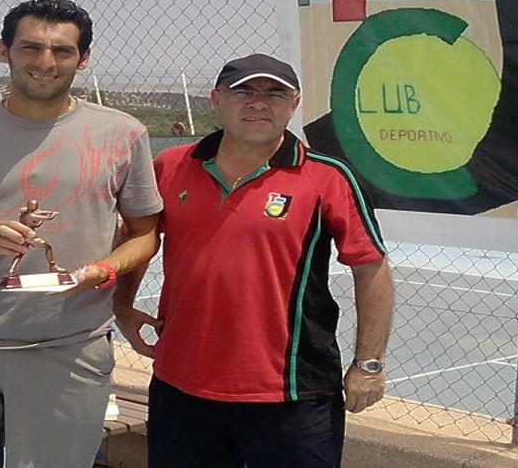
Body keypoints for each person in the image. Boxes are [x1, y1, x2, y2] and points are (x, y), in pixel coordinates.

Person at [0, 0, 163, 468]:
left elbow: (146, 235)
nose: (45, 62)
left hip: (67, 344)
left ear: (84, 58)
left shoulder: (123, 134)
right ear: (4, 51)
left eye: (62, 50)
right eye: (31, 47)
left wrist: (103, 271)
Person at [115, 53, 394, 468]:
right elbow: (140, 237)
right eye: (243, 91)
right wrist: (122, 304)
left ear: (294, 103)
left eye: (275, 93)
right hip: (180, 386)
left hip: (291, 393)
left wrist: (368, 364)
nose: (258, 102)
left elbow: (371, 266)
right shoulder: (171, 166)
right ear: (216, 99)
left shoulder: (328, 176)